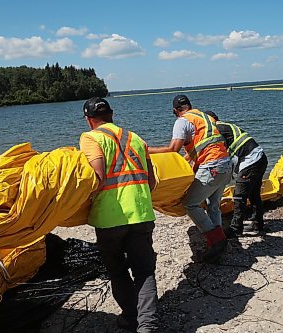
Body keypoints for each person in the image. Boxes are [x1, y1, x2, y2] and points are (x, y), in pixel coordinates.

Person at [79, 97, 159, 333]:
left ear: (88, 119)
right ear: (112, 114)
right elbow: (152, 182)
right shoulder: (137, 138)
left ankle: (131, 317)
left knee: (118, 270)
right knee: (144, 271)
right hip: (142, 213)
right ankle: (148, 326)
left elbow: (98, 176)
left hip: (109, 217)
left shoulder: (90, 137)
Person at [148, 95, 232, 263]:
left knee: (190, 204)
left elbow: (174, 149)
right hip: (226, 164)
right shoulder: (204, 117)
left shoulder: (182, 120)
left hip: (213, 165)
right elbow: (201, 146)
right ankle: (219, 239)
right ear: (190, 105)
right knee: (213, 205)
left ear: (175, 111)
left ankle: (216, 241)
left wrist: (147, 150)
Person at [204, 111, 268, 236]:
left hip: (250, 161)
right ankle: (258, 225)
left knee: (239, 196)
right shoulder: (226, 127)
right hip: (260, 157)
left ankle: (235, 229)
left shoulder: (217, 129)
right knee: (254, 195)